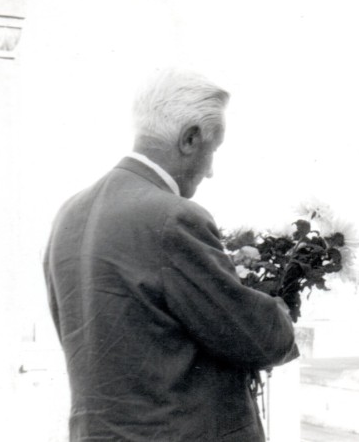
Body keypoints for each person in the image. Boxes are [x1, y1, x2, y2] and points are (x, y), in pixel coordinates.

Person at [44, 68, 297, 441]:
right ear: (190, 139)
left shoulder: (69, 214)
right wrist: (280, 311)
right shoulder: (173, 217)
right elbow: (255, 337)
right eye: (213, 151)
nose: (210, 171)